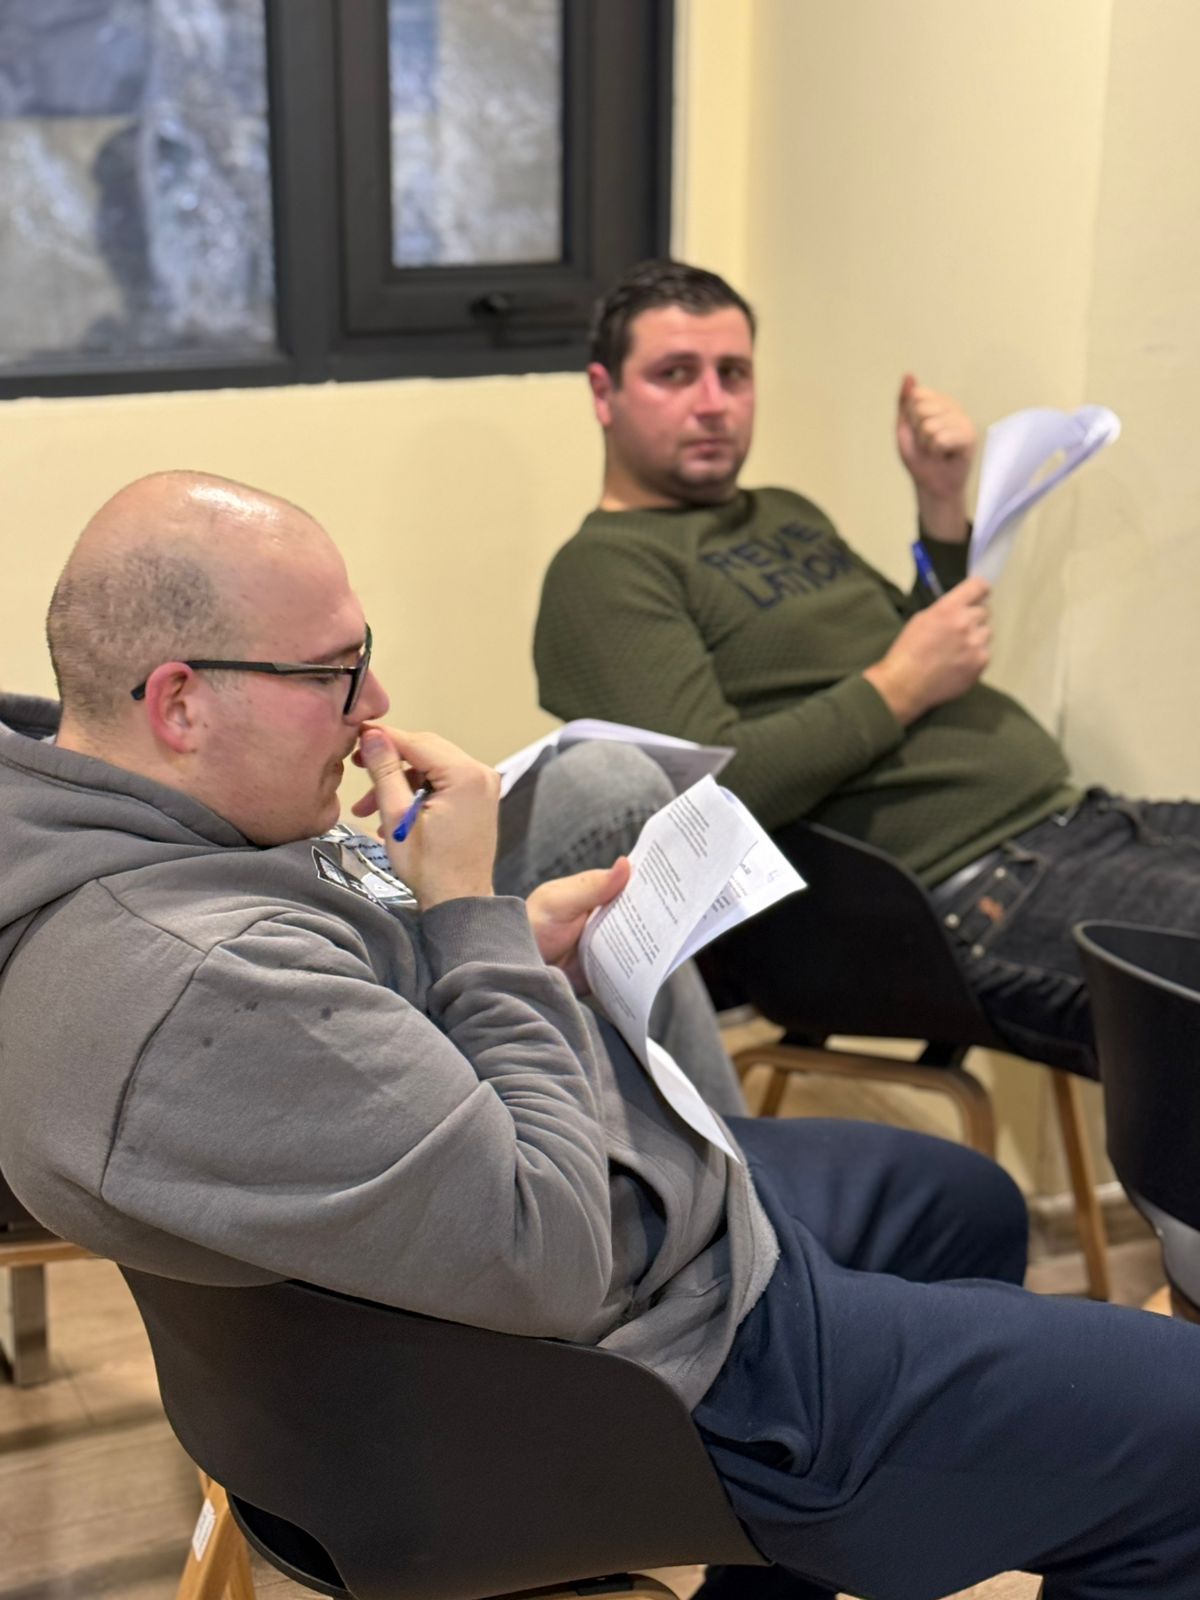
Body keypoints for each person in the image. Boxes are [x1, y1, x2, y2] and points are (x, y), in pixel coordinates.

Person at [3, 471, 1200, 1600]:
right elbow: (552, 1248)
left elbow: (335, 1042)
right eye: (334, 672)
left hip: (601, 1254)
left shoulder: (146, 838)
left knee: (954, 1203)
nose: (374, 707)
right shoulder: (196, 978)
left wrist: (508, 940)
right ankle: (820, 1482)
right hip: (651, 1370)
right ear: (179, 702)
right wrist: (473, 920)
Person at [534, 258, 1200, 1077]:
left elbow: (919, 642)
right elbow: (702, 802)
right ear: (604, 393)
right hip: (957, 898)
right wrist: (898, 689)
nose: (712, 402)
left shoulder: (785, 512)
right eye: (675, 374)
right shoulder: (603, 571)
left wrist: (941, 505)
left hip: (1081, 823)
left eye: (733, 374)